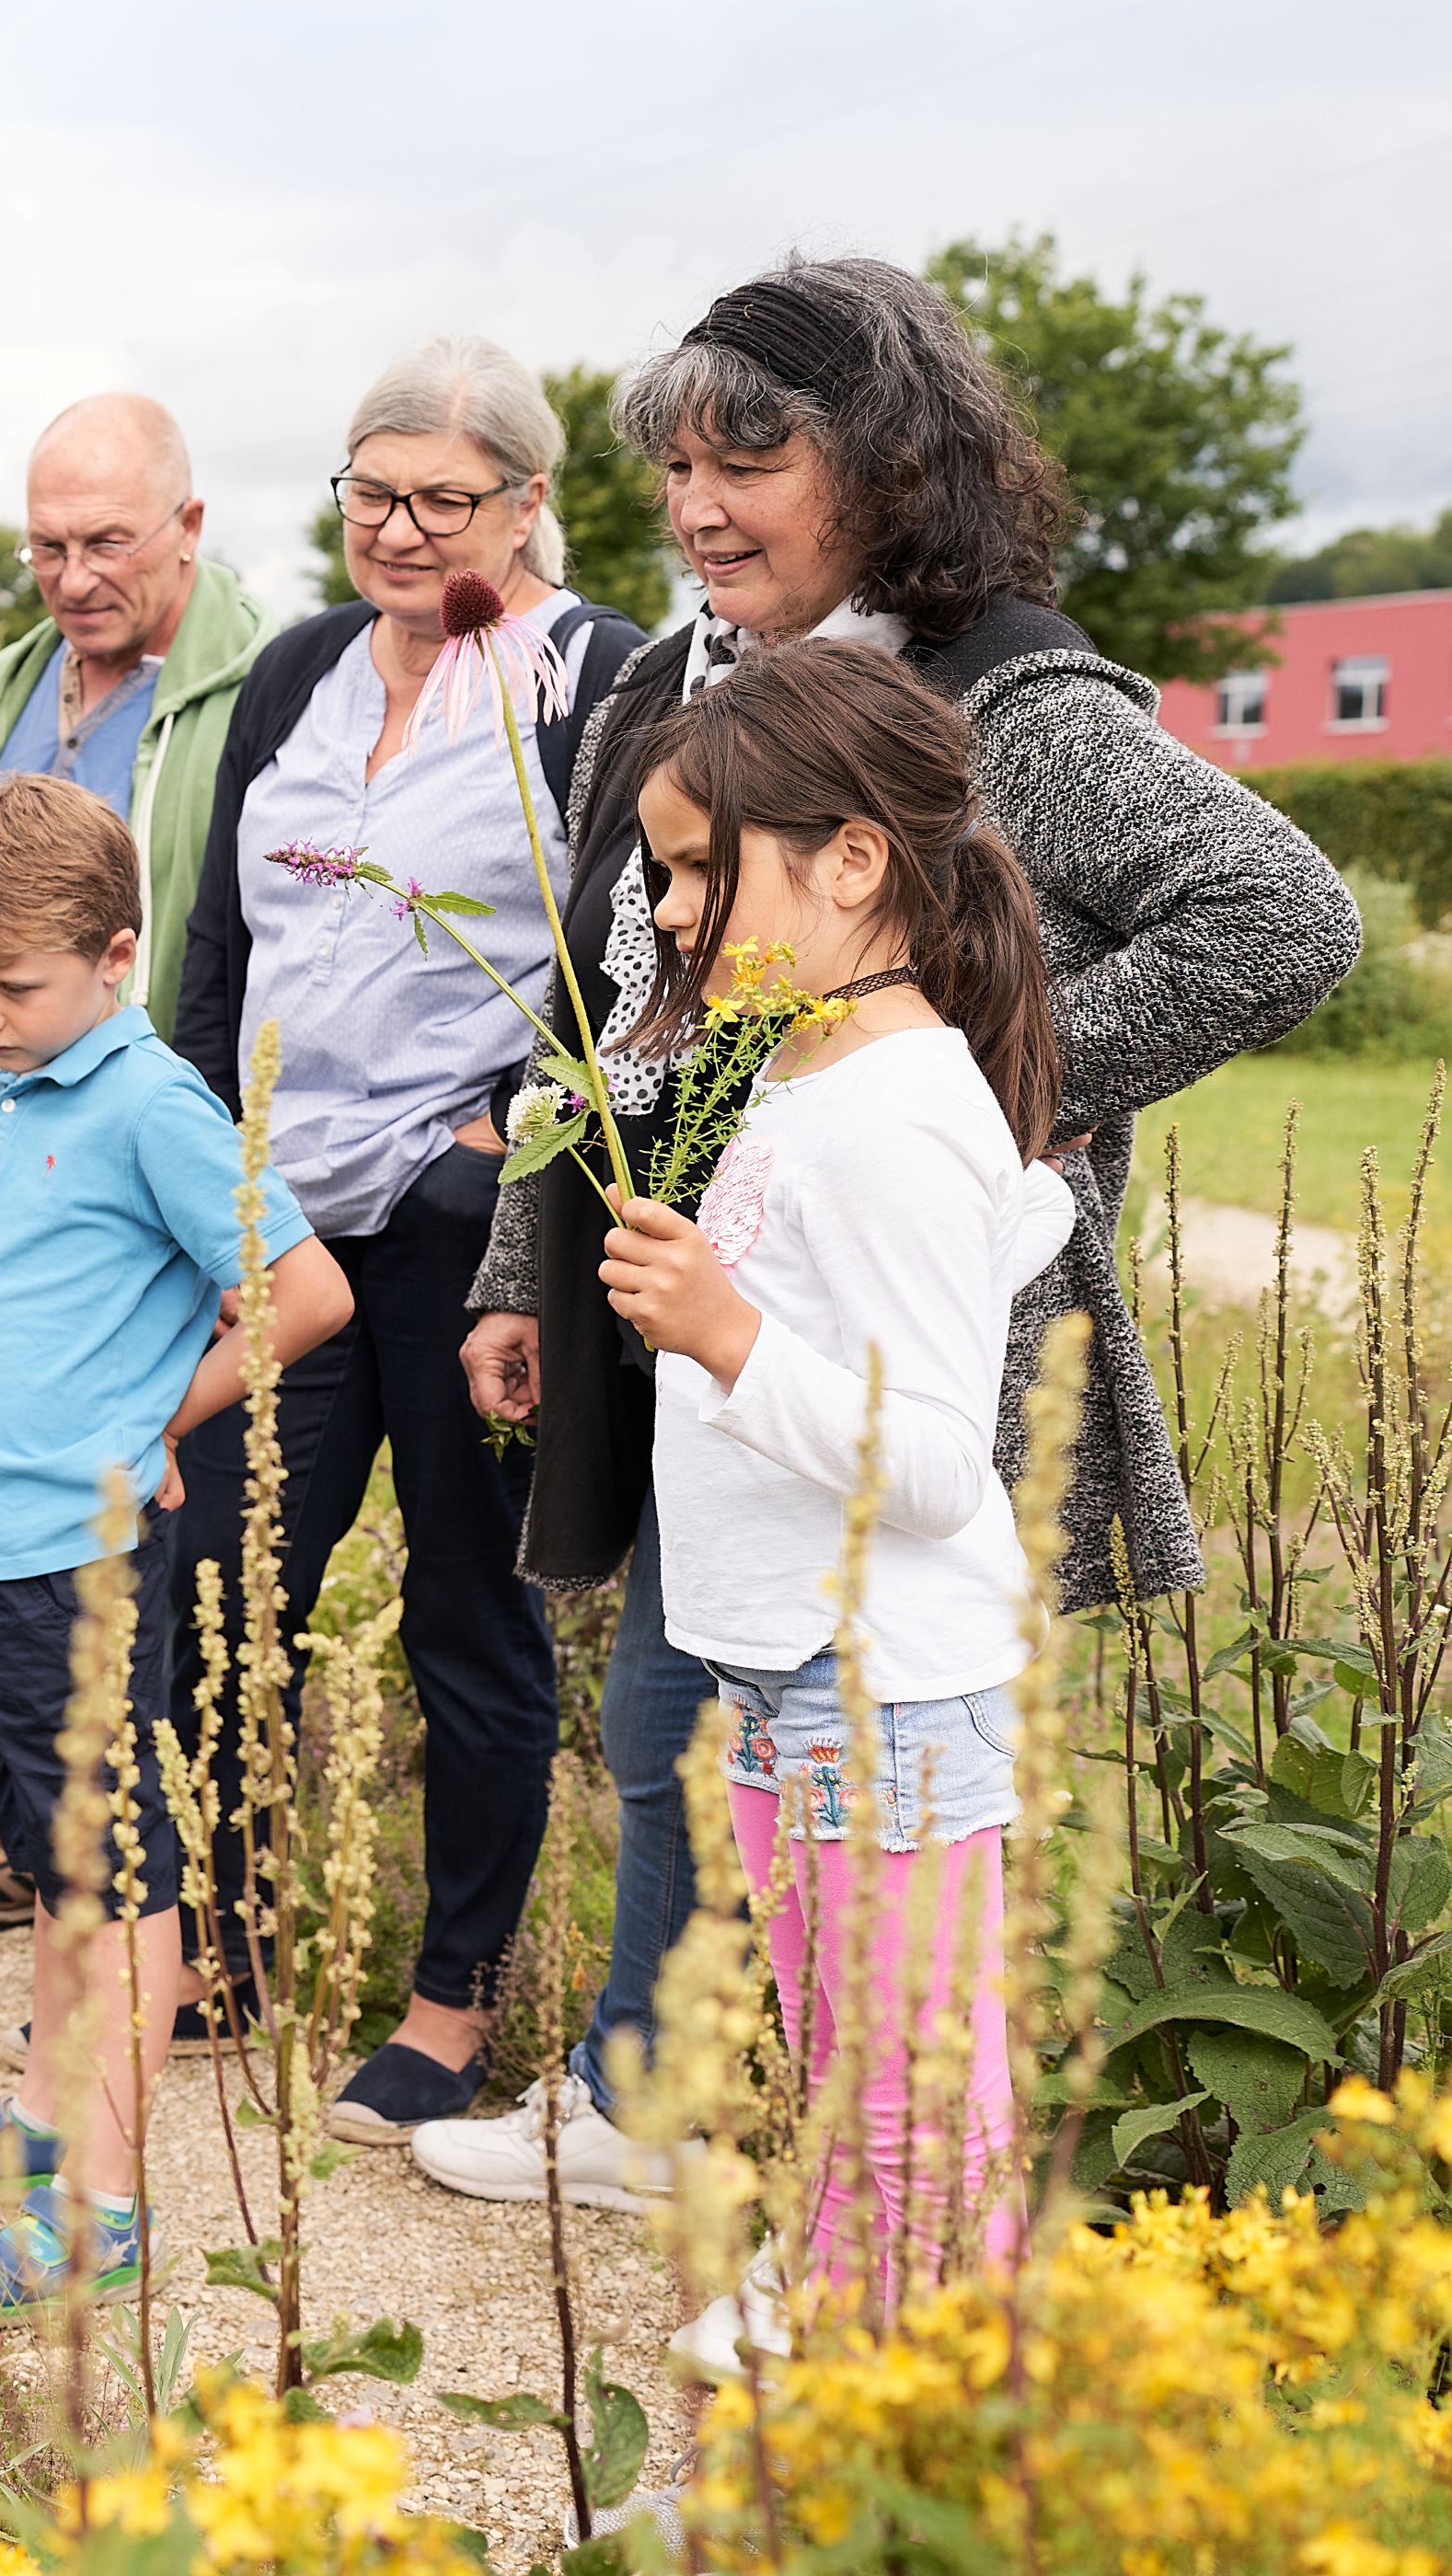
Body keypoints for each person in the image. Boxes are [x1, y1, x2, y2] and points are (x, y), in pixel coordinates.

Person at [411, 256, 1360, 2237]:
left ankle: (871, 2204)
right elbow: (602, 1005)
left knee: (863, 1764)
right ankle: (659, 2102)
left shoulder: (1008, 692)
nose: (699, 501)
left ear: (893, 462)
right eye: (674, 460)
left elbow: (1281, 916)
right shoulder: (668, 696)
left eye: (749, 453)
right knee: (683, 1706)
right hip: (708, 1299)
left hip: (901, 1341)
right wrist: (522, 1264)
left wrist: (984, 1074)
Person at [158, 338, 650, 2145]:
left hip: (460, 1230)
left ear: (529, 505)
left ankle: (449, 2009)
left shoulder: (599, 677)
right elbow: (220, 939)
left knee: (468, 1607)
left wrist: (499, 1148)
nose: (402, 528)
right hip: (280, 1218)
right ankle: (240, 1930)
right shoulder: (297, 664)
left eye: (448, 499)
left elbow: (641, 943)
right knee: (221, 1581)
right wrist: (202, 1162)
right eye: (374, 492)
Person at [593, 642, 1072, 2352]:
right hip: (789, 1676)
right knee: (849, 2057)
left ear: (852, 859)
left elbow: (938, 1461)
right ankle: (881, 2341)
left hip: (879, 1690)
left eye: (700, 869)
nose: (664, 910)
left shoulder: (885, 1113)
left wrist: (723, 1335)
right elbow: (968, 1254)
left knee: (912, 2103)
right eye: (657, 870)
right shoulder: (814, 1080)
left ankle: (920, 2407)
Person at [0, 774, 354, 2315]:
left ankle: (107, 2208)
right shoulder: (8, 1079)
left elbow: (304, 1296)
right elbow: (41, 1286)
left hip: (82, 1553)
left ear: (116, 960)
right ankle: (47, 2131)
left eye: (16, 987)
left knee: (122, 1883)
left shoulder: (151, 1103)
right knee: (61, 1869)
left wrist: (151, 1426)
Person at [0, 390, 267, 1945]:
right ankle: (69, 1914)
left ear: (187, 525)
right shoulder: (5, 688)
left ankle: (193, 1951)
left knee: (159, 1662)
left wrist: (151, 1408)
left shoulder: (256, 683)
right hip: (30, 1132)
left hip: (149, 1133)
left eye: (105, 539)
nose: (71, 572)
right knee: (62, 1760)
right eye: (45, 543)